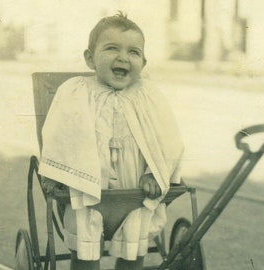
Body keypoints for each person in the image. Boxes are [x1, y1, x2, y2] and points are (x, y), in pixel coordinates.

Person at [39, 12, 185, 270]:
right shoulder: (76, 90)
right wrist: (56, 173)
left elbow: (167, 136)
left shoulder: (147, 93)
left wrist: (154, 172)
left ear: (144, 62)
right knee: (84, 252)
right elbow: (60, 132)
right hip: (86, 184)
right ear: (89, 59)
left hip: (135, 188)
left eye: (133, 52)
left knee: (133, 250)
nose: (123, 58)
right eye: (111, 48)